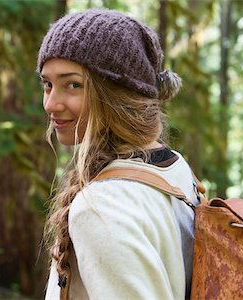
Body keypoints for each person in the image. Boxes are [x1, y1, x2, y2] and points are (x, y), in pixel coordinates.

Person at [37, 9, 200, 300]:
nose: (51, 103)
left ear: (117, 94)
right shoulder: (174, 168)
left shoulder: (102, 208)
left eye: (73, 85)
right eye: (48, 84)